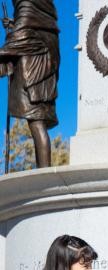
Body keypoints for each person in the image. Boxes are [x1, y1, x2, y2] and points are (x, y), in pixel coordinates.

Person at [0, 0, 59, 167]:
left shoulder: (26, 5)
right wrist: (14, 27)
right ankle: (43, 170)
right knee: (36, 121)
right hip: (41, 66)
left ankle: (45, 173)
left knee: (36, 121)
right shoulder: (44, 11)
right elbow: (27, 30)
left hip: (33, 72)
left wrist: (13, 34)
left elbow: (23, 35)